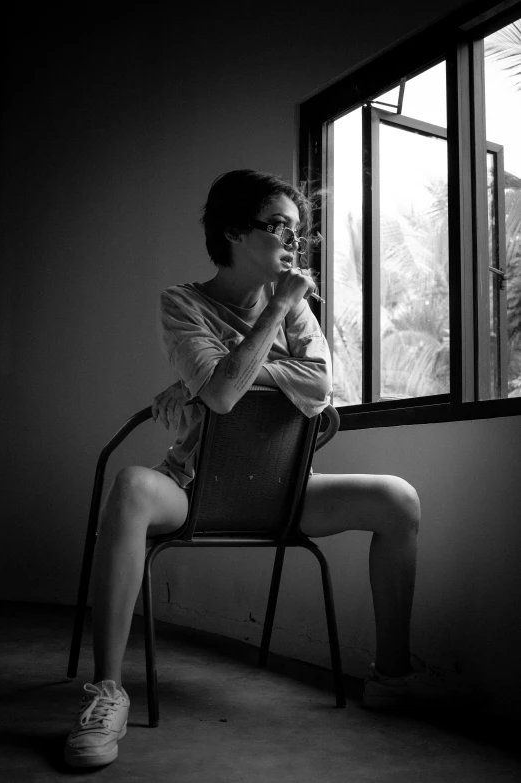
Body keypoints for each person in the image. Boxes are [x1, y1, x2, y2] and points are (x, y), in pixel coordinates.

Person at [64, 169, 473, 768]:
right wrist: (268, 321)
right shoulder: (184, 303)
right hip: (193, 487)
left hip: (285, 489)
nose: (292, 242)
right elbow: (227, 399)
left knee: (399, 499)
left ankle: (391, 676)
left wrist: (206, 380)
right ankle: (107, 692)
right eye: (279, 226)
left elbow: (320, 386)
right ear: (233, 230)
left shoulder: (297, 310)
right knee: (129, 487)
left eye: (298, 231)